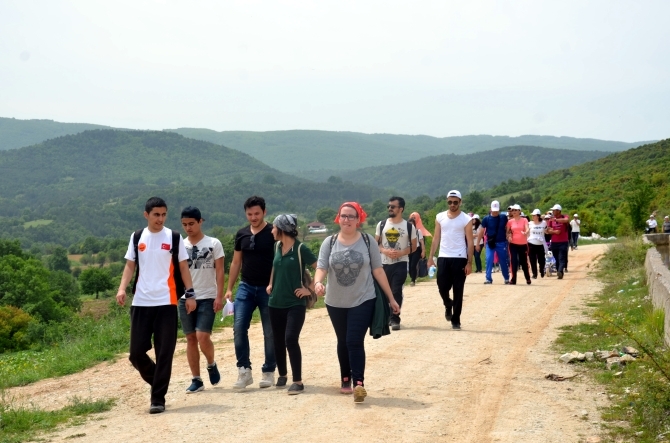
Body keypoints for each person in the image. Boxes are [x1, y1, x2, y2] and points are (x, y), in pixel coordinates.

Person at [314, 202, 400, 403]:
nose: (347, 220)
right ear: (338, 218)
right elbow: (321, 267)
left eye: (351, 216)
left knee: (354, 340)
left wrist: (391, 298)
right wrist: (317, 282)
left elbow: (378, 271)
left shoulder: (367, 241)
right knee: (342, 340)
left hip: (363, 299)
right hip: (335, 301)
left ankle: (358, 383)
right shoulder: (330, 242)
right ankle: (346, 377)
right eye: (343, 216)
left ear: (358, 219)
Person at [116, 197, 195, 414]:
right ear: (146, 215)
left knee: (164, 352)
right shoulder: (137, 237)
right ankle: (158, 381)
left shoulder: (174, 238)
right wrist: (122, 288)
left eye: (163, 214)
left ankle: (157, 398)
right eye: (156, 215)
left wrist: (190, 295)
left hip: (167, 302)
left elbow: (183, 268)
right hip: (141, 301)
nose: (160, 219)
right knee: (135, 353)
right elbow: (130, 266)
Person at [226, 196, 277, 389]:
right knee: (239, 328)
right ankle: (244, 371)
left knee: (269, 331)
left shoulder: (274, 232)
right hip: (245, 287)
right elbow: (236, 262)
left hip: (267, 288)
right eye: (249, 214)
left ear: (264, 212)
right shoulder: (241, 234)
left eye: (257, 213)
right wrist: (229, 288)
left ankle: (269, 371)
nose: (253, 217)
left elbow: (277, 260)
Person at [266, 214, 317, 395]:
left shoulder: (301, 248)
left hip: (295, 303)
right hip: (275, 302)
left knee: (290, 339)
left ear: (281, 229)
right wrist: (271, 283)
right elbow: (275, 266)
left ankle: (298, 381)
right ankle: (282, 375)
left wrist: (309, 290)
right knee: (278, 340)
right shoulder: (277, 246)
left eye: (273, 227)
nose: (271, 230)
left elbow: (319, 267)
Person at [178, 207, 225, 393]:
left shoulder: (214, 243)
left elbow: (220, 271)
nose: (188, 228)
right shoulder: (181, 245)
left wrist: (219, 296)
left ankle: (211, 364)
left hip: (207, 296)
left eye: (191, 224)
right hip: (185, 298)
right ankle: (196, 379)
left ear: (200, 222)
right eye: (184, 225)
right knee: (190, 338)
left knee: (202, 336)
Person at [427, 190, 473, 330]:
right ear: (447, 201)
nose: (452, 204)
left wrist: (469, 262)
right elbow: (436, 238)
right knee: (442, 286)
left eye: (455, 202)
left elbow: (470, 241)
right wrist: (430, 258)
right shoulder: (440, 217)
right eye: (450, 202)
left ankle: (456, 320)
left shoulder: (466, 219)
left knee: (458, 289)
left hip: (459, 257)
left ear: (460, 202)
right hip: (443, 256)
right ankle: (447, 303)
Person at [375, 196, 417, 330]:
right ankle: (386, 316)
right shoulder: (381, 225)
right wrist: (384, 251)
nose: (390, 208)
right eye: (389, 206)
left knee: (396, 290)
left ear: (401, 209)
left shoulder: (409, 226)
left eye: (393, 206)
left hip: (401, 262)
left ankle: (395, 319)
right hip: (384, 263)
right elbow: (376, 244)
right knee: (384, 292)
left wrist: (401, 252)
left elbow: (414, 247)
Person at [476, 200, 510, 285]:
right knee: (489, 259)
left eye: (497, 210)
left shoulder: (503, 217)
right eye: (494, 210)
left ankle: (506, 278)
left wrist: (509, 235)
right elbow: (481, 231)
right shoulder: (486, 219)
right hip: (490, 243)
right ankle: (488, 279)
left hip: (501, 242)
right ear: (490, 209)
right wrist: (477, 243)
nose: (495, 212)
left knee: (503, 261)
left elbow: (508, 227)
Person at [506, 204, 531, 285]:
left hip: (523, 244)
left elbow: (527, 228)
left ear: (520, 211)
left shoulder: (524, 220)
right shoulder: (510, 221)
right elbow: (508, 231)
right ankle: (513, 279)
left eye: (516, 210)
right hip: (513, 244)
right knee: (513, 261)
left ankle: (527, 278)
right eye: (512, 210)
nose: (514, 212)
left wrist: (526, 232)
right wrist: (509, 236)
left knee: (524, 262)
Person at [546, 204, 569, 279]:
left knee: (561, 257)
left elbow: (566, 220)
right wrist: (555, 232)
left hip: (563, 242)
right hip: (554, 242)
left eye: (554, 210)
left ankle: (559, 270)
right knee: (556, 258)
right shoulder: (551, 220)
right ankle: (560, 272)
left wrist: (556, 220)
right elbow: (548, 230)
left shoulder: (564, 216)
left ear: (559, 211)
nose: (553, 211)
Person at [407, 212, 427, 286]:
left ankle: (413, 280)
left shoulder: (418, 231)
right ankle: (413, 277)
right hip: (408, 250)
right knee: (409, 266)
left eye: (412, 224)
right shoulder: (406, 233)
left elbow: (421, 242)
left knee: (413, 265)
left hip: (416, 250)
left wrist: (423, 251)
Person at [528, 209, 548, 279]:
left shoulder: (544, 223)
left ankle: (542, 270)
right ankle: (534, 274)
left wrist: (547, 231)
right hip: (531, 243)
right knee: (532, 260)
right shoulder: (530, 223)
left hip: (540, 244)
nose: (533, 216)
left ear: (538, 216)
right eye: (532, 215)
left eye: (534, 215)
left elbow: (546, 231)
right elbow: (527, 232)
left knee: (541, 260)